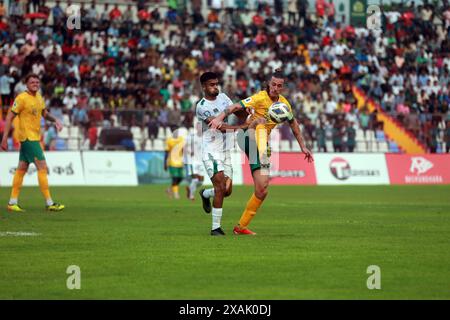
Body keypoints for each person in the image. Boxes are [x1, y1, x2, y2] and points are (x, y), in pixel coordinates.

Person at [209, 69, 313, 235]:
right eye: (273, 84)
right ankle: (263, 146)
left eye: (279, 86)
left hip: (260, 144)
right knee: (260, 122)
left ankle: (240, 227)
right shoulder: (259, 97)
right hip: (246, 137)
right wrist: (219, 118)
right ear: (269, 84)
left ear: (282, 88)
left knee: (262, 189)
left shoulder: (284, 104)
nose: (275, 88)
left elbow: (293, 125)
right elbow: (236, 106)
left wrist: (303, 146)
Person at [0, 74, 65, 212]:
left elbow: (45, 114)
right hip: (28, 138)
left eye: (37, 82)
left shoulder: (39, 97)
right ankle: (49, 203)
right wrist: (4, 138)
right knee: (42, 167)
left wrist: (56, 121)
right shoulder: (21, 98)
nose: (35, 84)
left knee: (21, 169)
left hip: (33, 137)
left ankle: (12, 203)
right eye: (32, 82)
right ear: (26, 84)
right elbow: (10, 116)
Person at [196, 72, 249, 236]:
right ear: (204, 86)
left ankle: (205, 194)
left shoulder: (224, 97)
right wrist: (242, 127)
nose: (215, 87)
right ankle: (215, 228)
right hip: (211, 150)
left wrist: (247, 114)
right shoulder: (202, 106)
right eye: (212, 84)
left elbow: (237, 112)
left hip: (225, 150)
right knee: (219, 187)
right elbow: (218, 125)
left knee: (226, 191)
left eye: (216, 84)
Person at [183, 121, 204, 201]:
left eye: (200, 126)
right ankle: (191, 196)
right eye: (198, 126)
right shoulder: (191, 137)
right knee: (195, 180)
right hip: (193, 161)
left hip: (201, 161)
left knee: (200, 182)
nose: (199, 128)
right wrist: (189, 152)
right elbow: (184, 147)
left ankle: (189, 188)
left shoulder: (204, 138)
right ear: (196, 127)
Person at [164, 126, 185, 199]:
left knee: (181, 177)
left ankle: (169, 189)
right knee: (175, 178)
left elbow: (184, 150)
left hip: (180, 162)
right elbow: (166, 152)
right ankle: (176, 194)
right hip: (172, 162)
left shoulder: (181, 139)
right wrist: (165, 163)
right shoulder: (169, 140)